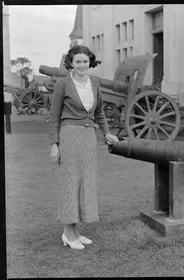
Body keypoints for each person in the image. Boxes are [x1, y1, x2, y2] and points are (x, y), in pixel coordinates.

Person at [49, 45, 119, 250]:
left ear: (90, 63)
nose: (81, 65)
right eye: (77, 61)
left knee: (84, 183)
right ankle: (67, 233)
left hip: (89, 137)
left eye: (85, 61)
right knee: (70, 183)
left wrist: (106, 133)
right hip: (69, 135)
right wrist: (54, 144)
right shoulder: (63, 83)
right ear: (71, 62)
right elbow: (54, 117)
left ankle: (75, 232)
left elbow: (99, 112)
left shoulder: (94, 82)